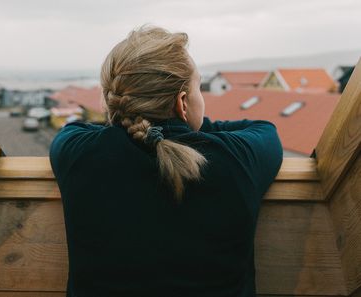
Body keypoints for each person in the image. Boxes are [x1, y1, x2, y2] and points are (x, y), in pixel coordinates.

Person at [49, 25, 283, 297]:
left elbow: (79, 130)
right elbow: (263, 130)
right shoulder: (237, 158)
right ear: (183, 103)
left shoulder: (78, 153)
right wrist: (189, 128)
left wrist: (139, 123)